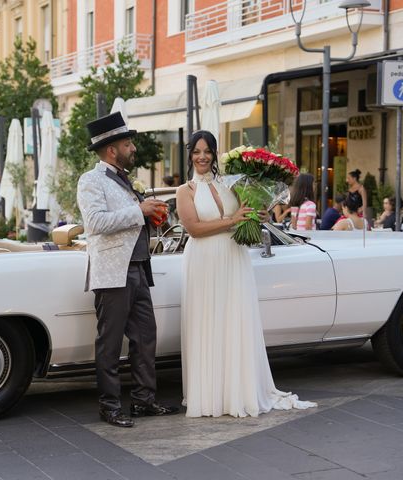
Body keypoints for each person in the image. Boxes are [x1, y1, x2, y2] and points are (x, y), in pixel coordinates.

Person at [176, 130, 316, 418]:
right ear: (189, 154)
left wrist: (260, 216)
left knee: (234, 321)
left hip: (233, 258)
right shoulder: (184, 191)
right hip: (202, 262)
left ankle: (237, 391)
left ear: (215, 154)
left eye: (208, 151)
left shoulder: (233, 185)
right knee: (207, 322)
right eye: (196, 151)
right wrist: (231, 220)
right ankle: (210, 395)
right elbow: (193, 229)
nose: (202, 157)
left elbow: (245, 217)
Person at [76, 112, 178, 428]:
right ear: (111, 149)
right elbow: (95, 223)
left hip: (138, 270)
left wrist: (151, 216)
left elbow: (130, 220)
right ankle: (109, 406)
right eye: (128, 143)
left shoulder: (125, 179)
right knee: (109, 344)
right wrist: (139, 210)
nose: (133, 148)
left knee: (146, 337)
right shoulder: (90, 180)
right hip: (111, 272)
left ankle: (144, 401)